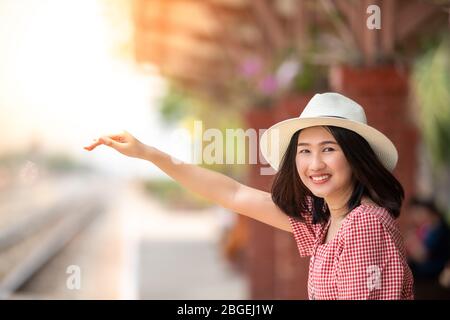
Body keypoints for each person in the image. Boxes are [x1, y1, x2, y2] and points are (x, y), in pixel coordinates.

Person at [84, 92, 414, 300]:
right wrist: (149, 153)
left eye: (329, 149)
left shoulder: (363, 226)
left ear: (356, 157)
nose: (315, 164)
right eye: (305, 151)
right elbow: (232, 193)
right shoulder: (325, 220)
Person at [405, 197, 450, 299]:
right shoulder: (426, 228)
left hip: (433, 279)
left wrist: (412, 242)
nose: (415, 217)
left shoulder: (439, 229)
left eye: (417, 212)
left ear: (428, 211)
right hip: (425, 278)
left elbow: (422, 255)